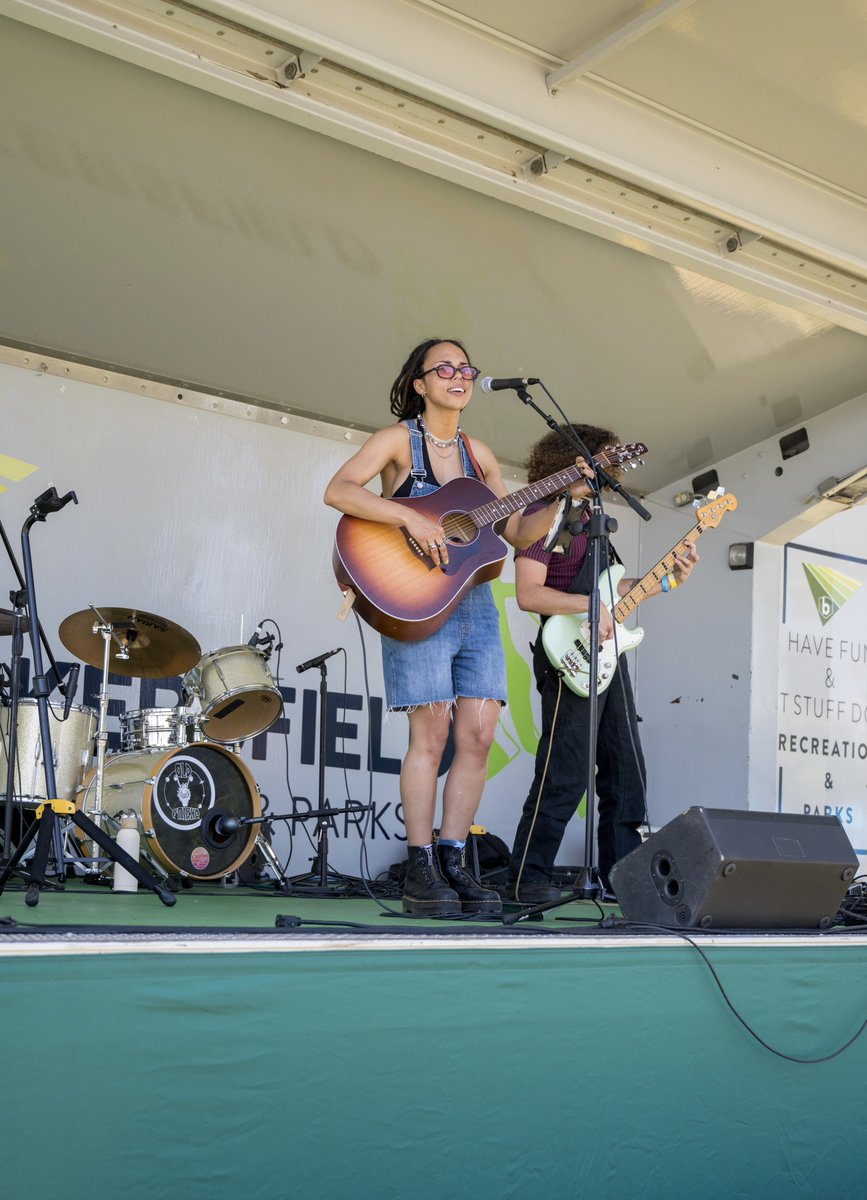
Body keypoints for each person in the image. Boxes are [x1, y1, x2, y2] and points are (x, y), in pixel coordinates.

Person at [324, 339, 588, 917]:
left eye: (465, 368)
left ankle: (452, 859)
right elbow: (338, 491)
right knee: (433, 734)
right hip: (417, 600)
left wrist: (563, 497)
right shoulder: (398, 441)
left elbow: (515, 533)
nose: (458, 375)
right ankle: (420, 870)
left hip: (474, 604)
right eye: (444, 368)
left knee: (479, 735)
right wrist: (406, 516)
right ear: (419, 383)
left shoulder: (480, 455)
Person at [506, 423, 699, 905]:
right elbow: (530, 594)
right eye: (602, 459)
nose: (609, 468)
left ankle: (623, 880)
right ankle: (526, 879)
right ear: (571, 460)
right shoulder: (542, 513)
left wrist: (669, 577)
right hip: (565, 654)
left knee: (625, 771)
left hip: (606, 657)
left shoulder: (595, 517)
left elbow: (613, 591)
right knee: (563, 773)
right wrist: (588, 608)